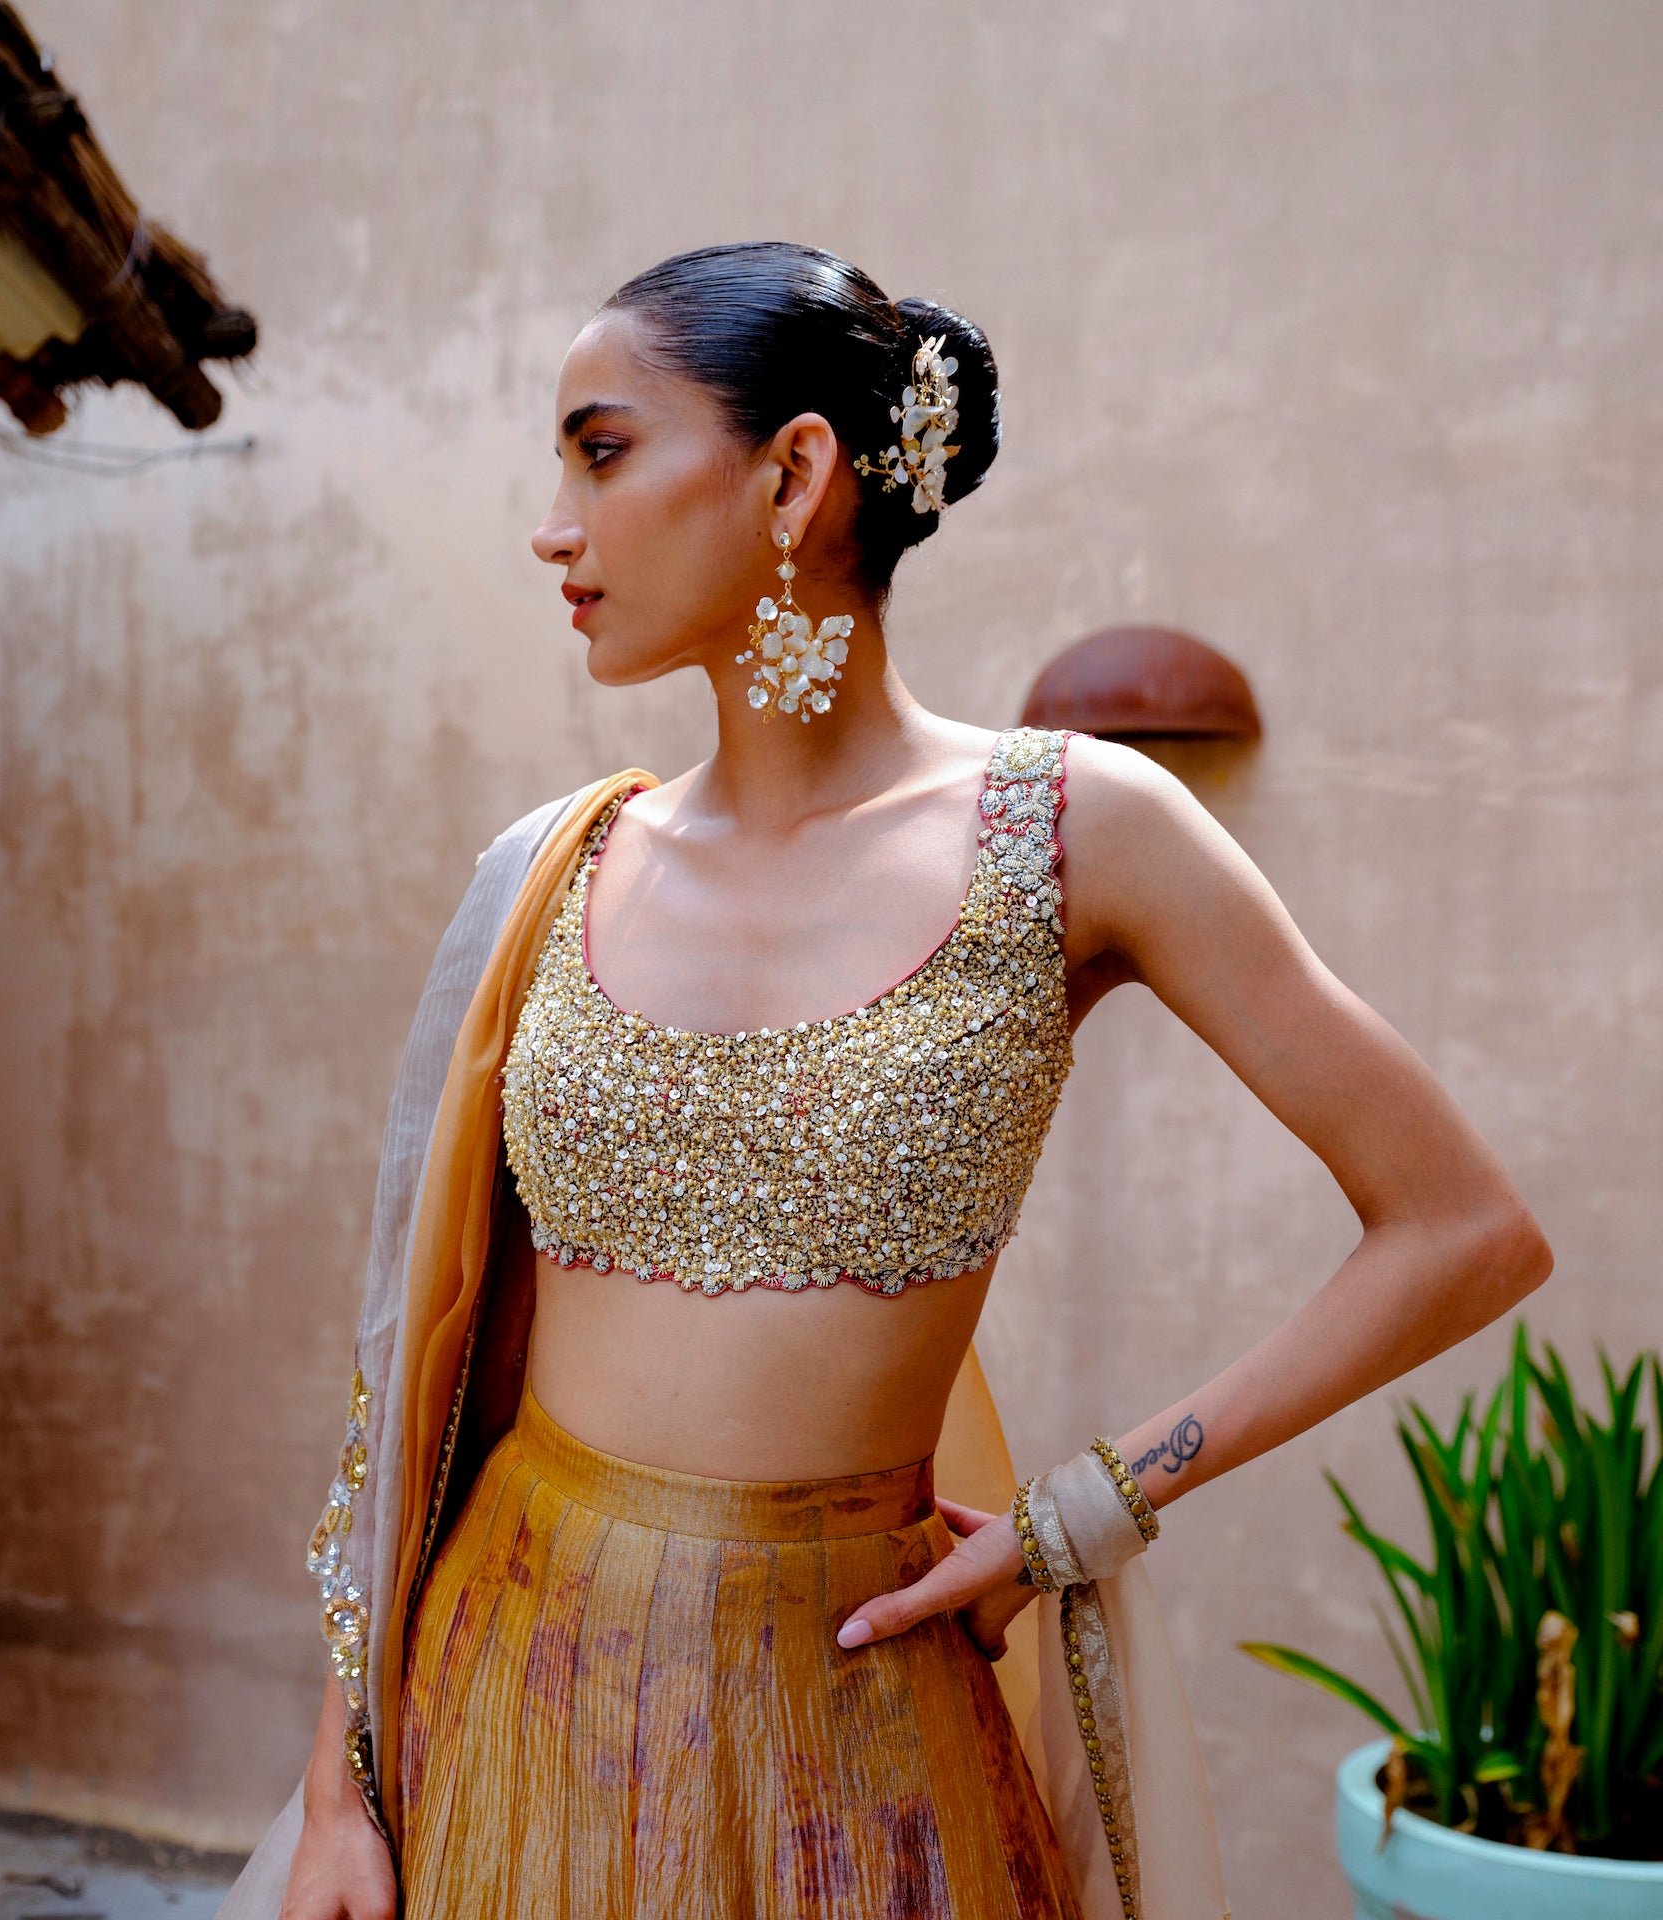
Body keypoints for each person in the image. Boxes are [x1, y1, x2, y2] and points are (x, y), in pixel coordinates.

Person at [220, 241, 1551, 1920]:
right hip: (505, 1708)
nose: (554, 527)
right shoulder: (556, 871)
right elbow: (411, 1367)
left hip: (851, 1737)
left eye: (601, 451)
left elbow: (1462, 1230)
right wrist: (340, 1777)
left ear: (793, 475)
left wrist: (1090, 1510)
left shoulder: (1072, 833)